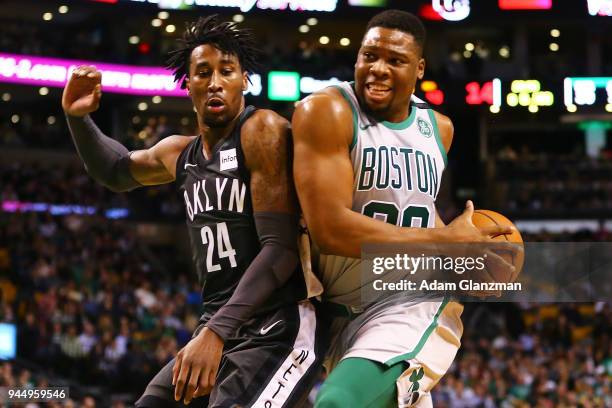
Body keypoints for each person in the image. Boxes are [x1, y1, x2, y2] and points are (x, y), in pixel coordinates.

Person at [62, 15, 324, 408]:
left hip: (278, 325)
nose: (215, 81)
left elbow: (280, 249)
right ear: (189, 86)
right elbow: (115, 172)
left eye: (227, 71)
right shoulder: (179, 153)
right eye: (203, 73)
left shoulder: (261, 130)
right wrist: (78, 118)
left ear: (244, 81)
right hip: (219, 325)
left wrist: (216, 331)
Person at [292, 9, 518, 408]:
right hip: (334, 312)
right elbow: (329, 228)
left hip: (408, 302)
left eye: (394, 61)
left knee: (337, 403)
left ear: (419, 69)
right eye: (369, 56)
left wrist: (469, 256)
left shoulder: (440, 129)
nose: (377, 69)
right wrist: (443, 240)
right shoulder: (327, 111)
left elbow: (417, 210)